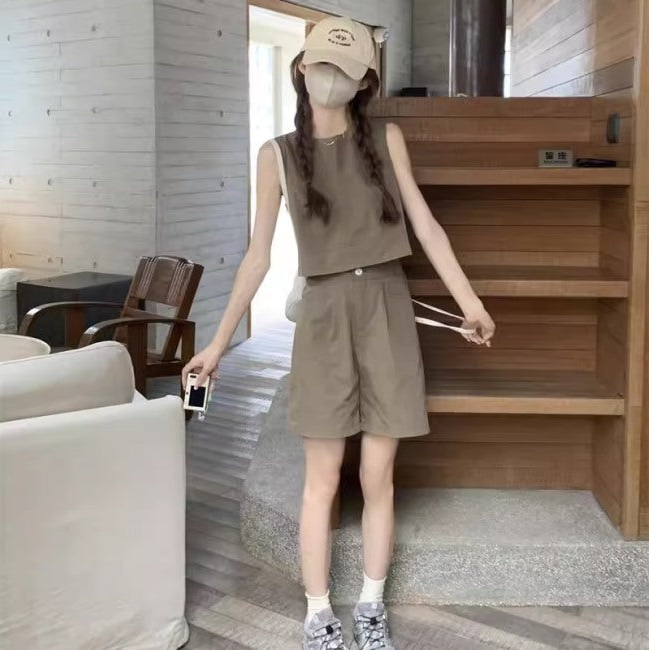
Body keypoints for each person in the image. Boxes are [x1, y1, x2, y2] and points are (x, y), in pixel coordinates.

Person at [182, 15, 495, 650]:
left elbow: (426, 226)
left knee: (377, 476)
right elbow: (257, 256)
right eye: (322, 65)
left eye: (346, 71)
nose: (331, 78)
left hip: (387, 307)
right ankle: (318, 612)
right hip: (323, 315)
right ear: (301, 68)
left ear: (363, 82)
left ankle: (372, 606)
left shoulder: (387, 138)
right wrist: (216, 345)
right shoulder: (276, 154)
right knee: (322, 479)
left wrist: (470, 304)